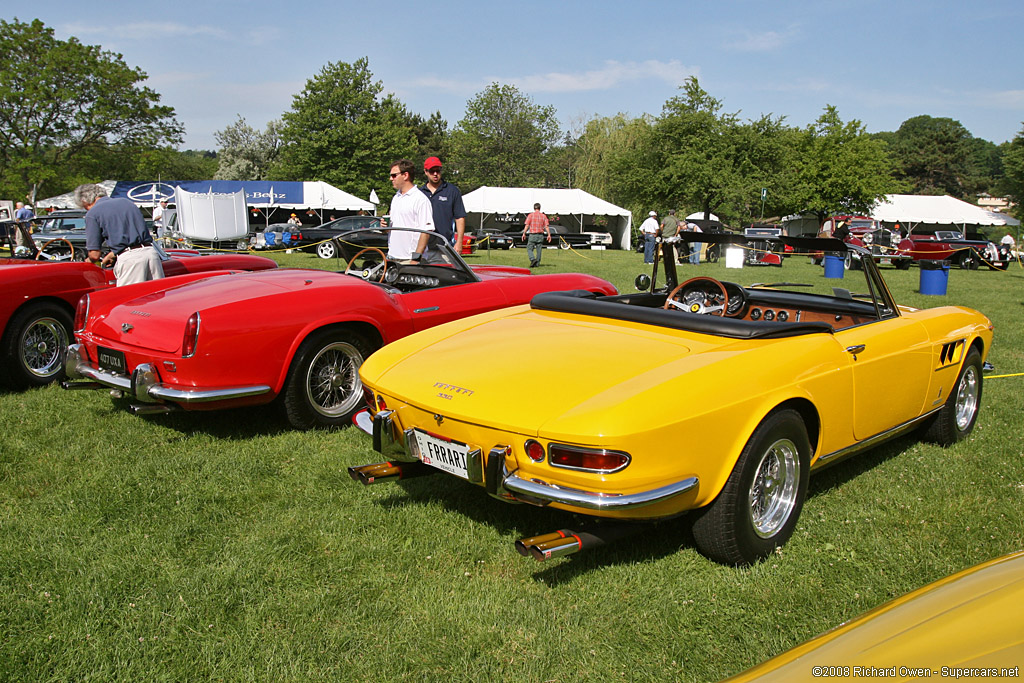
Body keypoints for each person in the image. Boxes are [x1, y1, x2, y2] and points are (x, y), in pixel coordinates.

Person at [75, 183, 164, 286]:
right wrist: (113, 254)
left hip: (131, 261)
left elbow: (95, 255)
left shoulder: (93, 213)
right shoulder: (127, 203)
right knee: (156, 297)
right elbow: (133, 237)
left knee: (130, 299)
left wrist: (87, 261)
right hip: (151, 254)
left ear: (84, 201)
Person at [385, 159, 434, 260]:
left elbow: (426, 231)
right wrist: (384, 226)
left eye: (394, 175)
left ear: (405, 175)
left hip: (410, 259)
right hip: (393, 257)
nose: (391, 179)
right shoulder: (396, 197)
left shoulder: (420, 199)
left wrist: (416, 259)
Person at [419, 156, 467, 250]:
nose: (435, 174)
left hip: (445, 247)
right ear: (426, 172)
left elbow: (460, 217)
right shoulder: (419, 193)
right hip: (422, 247)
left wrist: (459, 242)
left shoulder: (452, 191)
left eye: (438, 170)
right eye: (432, 171)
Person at [521, 203, 551, 268]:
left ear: (534, 208)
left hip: (532, 235)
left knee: (529, 248)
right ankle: (537, 263)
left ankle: (532, 259)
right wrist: (549, 235)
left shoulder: (530, 215)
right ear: (540, 208)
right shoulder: (543, 216)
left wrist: (524, 233)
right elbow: (546, 226)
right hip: (540, 235)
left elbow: (527, 225)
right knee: (539, 250)